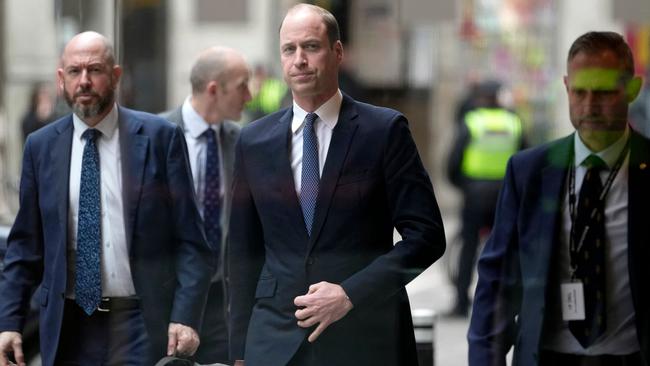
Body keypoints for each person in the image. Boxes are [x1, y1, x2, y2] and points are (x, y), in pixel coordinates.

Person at [228, 4, 445, 366]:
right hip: (275, 345)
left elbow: (427, 237)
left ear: (337, 52)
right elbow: (241, 255)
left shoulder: (384, 132)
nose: (299, 60)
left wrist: (350, 293)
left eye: (311, 47)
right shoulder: (253, 142)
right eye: (289, 49)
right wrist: (238, 351)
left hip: (365, 337)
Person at [0, 31, 212, 366]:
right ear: (61, 79)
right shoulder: (40, 147)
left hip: (140, 324)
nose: (84, 81)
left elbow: (192, 242)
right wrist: (8, 323)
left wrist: (186, 316)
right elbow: (24, 247)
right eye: (74, 72)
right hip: (68, 327)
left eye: (95, 70)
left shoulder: (159, 138)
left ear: (115, 75)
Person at [468, 31, 649, 366]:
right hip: (548, 359)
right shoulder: (529, 172)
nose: (590, 105)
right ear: (566, 87)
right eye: (580, 92)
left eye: (605, 92)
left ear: (632, 90)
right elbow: (498, 282)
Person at [160, 46, 251, 365]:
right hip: (171, 294)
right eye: (243, 85)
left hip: (221, 296)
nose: (250, 96)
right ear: (214, 89)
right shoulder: (157, 134)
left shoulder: (242, 141)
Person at [447, 80, 525, 317]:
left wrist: (465, 186)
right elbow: (526, 159)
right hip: (504, 196)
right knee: (504, 250)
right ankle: (502, 302)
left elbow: (452, 162)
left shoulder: (472, 122)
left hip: (475, 196)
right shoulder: (514, 123)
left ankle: (461, 303)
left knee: (468, 249)